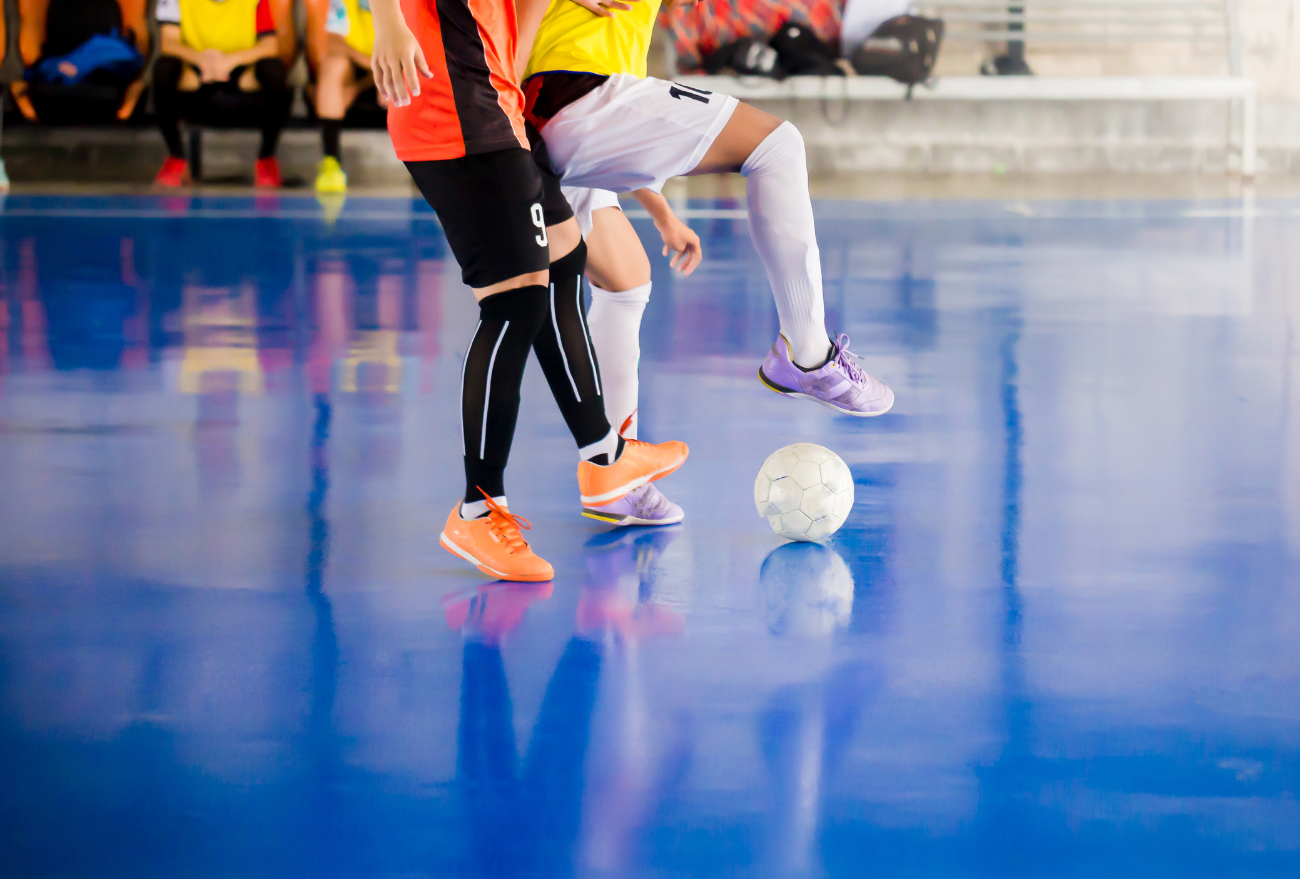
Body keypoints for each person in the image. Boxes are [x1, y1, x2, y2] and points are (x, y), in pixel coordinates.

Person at [368, 0, 688, 582]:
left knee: (566, 261)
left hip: (496, 105)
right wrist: (387, 22)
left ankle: (604, 457)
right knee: (515, 303)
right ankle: (478, 507)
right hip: (456, 109)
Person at [521, 0, 895, 421]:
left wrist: (661, 213)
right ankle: (807, 355)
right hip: (577, 92)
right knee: (778, 146)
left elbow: (624, 131)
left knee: (625, 284)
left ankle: (614, 472)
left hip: (551, 119)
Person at [152, 0, 292, 188]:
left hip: (241, 70)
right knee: (163, 68)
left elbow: (270, 45)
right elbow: (168, 42)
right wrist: (201, 60)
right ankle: (176, 159)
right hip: (196, 70)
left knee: (274, 70)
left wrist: (231, 60)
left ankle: (266, 160)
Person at [9, 0, 149, 126]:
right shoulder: (60, 7)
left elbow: (127, 58)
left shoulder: (108, 9)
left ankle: (79, 68)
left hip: (103, 67)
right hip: (62, 65)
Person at [312, 0, 384, 193]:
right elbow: (334, 41)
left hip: (391, 68)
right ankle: (331, 162)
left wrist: (361, 87)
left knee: (402, 76)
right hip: (361, 65)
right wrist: (367, 64)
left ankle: (428, 165)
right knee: (332, 65)